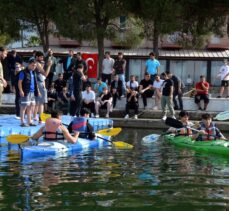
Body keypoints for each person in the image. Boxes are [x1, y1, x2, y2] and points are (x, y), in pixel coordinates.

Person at [18, 58, 40, 127]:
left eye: (35, 66)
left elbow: (35, 82)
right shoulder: (23, 72)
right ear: (29, 64)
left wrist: (38, 90)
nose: (34, 67)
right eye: (33, 65)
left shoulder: (34, 72)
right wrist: (21, 90)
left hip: (32, 92)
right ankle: (22, 122)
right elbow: (19, 82)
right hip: (26, 92)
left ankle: (29, 121)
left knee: (31, 106)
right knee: (23, 107)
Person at [33, 51, 52, 123]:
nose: (42, 58)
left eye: (42, 57)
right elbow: (45, 74)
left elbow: (42, 76)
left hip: (39, 82)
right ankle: (41, 119)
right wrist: (49, 66)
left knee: (37, 103)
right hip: (38, 83)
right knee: (41, 103)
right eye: (41, 57)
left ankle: (35, 117)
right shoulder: (37, 63)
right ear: (37, 57)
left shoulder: (38, 63)